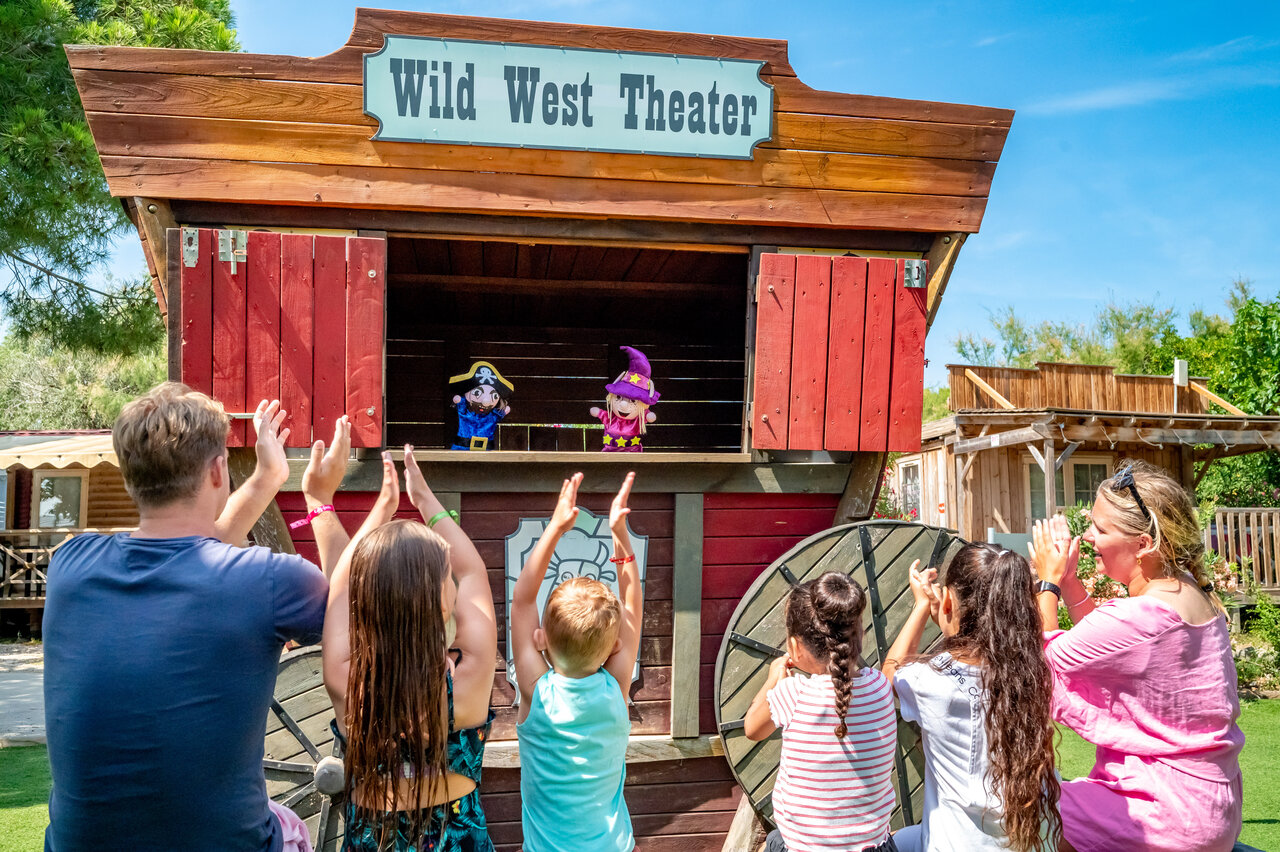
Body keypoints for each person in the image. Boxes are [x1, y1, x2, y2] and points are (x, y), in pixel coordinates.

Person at [43, 384, 353, 852]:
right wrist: (318, 499)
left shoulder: (70, 566)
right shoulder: (271, 581)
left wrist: (267, 478)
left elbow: (191, 555)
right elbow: (354, 610)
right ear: (217, 470)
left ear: (129, 477)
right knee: (291, 827)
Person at [1030, 461, 1243, 852]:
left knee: (1019, 813)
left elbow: (1041, 664)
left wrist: (1048, 582)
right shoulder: (1186, 592)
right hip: (1206, 810)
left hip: (1165, 813)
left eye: (1100, 529)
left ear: (1143, 544)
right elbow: (1107, 644)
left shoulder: (1144, 614)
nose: (1088, 536)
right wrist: (1072, 583)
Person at [321, 446, 498, 851]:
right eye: (446, 576)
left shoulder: (345, 678)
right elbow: (473, 570)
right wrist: (425, 501)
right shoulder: (470, 671)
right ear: (441, 602)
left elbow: (342, 584)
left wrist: (382, 509)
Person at [884, 545, 1061, 852]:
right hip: (1032, 841)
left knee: (892, 842)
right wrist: (951, 620)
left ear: (948, 602)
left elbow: (889, 675)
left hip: (956, 844)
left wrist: (922, 606)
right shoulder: (1034, 672)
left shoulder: (931, 682)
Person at [510, 471, 642, 852]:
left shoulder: (537, 693)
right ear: (615, 647)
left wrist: (556, 527)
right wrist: (620, 533)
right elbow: (632, 604)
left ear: (540, 639)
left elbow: (522, 601)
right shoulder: (615, 689)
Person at [743, 572, 898, 852]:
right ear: (859, 634)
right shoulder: (881, 687)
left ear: (794, 646)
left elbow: (752, 728)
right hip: (875, 846)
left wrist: (773, 680)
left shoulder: (793, 693)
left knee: (773, 840)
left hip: (802, 848)